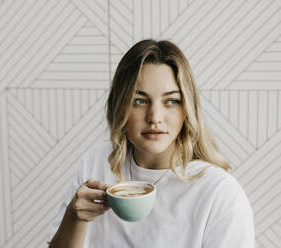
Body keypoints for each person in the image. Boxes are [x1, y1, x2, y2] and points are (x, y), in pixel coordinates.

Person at [47, 39, 254, 247]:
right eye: (140, 100)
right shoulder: (97, 161)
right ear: (120, 106)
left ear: (188, 109)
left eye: (171, 101)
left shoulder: (219, 192)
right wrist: (75, 219)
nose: (155, 117)